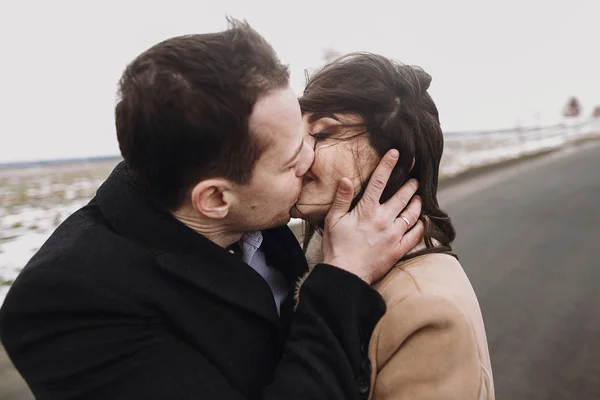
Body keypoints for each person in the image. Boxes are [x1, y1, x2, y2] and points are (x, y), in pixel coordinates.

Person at [0, 21, 425, 400]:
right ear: (216, 199)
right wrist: (344, 279)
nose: (309, 160)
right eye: (291, 156)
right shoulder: (68, 304)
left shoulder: (247, 205)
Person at [292, 52, 495, 399]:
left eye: (323, 135)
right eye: (296, 132)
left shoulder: (424, 309)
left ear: (398, 164)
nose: (298, 152)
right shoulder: (301, 255)